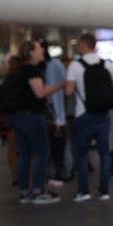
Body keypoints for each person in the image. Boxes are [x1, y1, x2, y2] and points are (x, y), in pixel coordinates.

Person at [65, 32, 113, 202]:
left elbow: (68, 91)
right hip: (104, 114)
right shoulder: (108, 65)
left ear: (83, 45)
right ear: (95, 45)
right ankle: (104, 191)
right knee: (105, 153)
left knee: (81, 153)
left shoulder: (75, 66)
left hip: (83, 115)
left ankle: (83, 191)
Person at [11, 41, 65, 203]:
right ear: (32, 53)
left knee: (25, 154)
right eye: (39, 48)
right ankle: (38, 190)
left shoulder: (20, 70)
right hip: (32, 117)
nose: (43, 50)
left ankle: (24, 191)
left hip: (18, 117)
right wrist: (60, 85)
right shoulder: (32, 70)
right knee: (42, 152)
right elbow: (40, 93)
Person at [41, 40, 69, 187]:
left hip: (56, 115)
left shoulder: (55, 65)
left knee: (57, 147)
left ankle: (58, 172)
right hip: (46, 116)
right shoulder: (39, 68)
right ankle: (52, 174)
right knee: (48, 148)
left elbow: (65, 86)